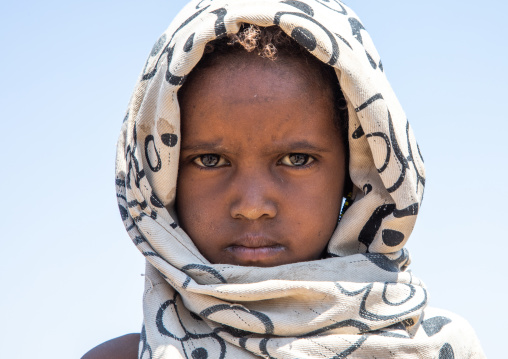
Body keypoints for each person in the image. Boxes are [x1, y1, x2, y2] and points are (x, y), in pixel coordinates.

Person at [83, 0, 484, 358]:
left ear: (357, 173)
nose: (253, 205)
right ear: (160, 175)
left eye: (296, 159)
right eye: (209, 159)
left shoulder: (436, 349)